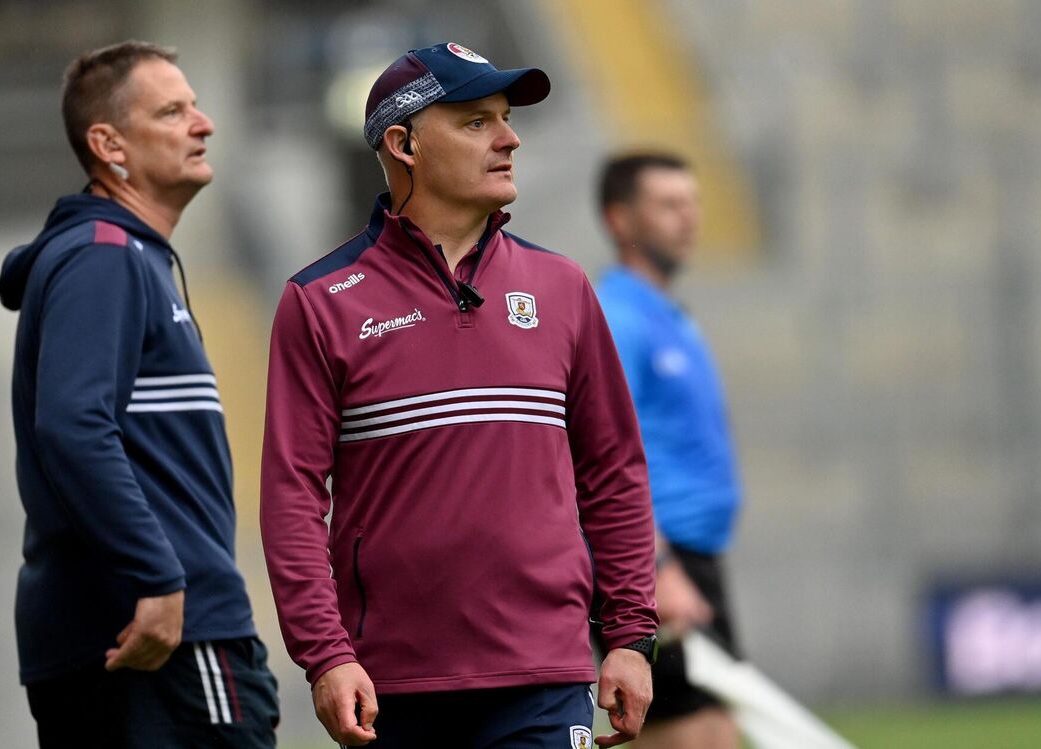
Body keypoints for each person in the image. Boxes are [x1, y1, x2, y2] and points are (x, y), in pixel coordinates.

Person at [260, 42, 659, 748]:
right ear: (402, 143)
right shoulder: (319, 301)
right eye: (476, 122)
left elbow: (614, 470)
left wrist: (629, 634)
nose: (508, 138)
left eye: (506, 119)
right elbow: (292, 495)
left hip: (545, 678)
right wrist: (326, 652)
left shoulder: (563, 288)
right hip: (393, 687)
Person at [0, 41, 278, 748]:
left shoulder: (123, 256)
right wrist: (160, 578)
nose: (203, 123)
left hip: (133, 638)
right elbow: (72, 425)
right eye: (173, 110)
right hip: (163, 643)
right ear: (108, 144)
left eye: (196, 105)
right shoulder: (104, 257)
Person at [594, 153, 745, 749]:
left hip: (693, 560)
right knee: (690, 734)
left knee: (708, 731)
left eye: (693, 203)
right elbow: (599, 451)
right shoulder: (619, 318)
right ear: (621, 220)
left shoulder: (669, 316)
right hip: (661, 561)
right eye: (669, 204)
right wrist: (654, 569)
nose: (690, 218)